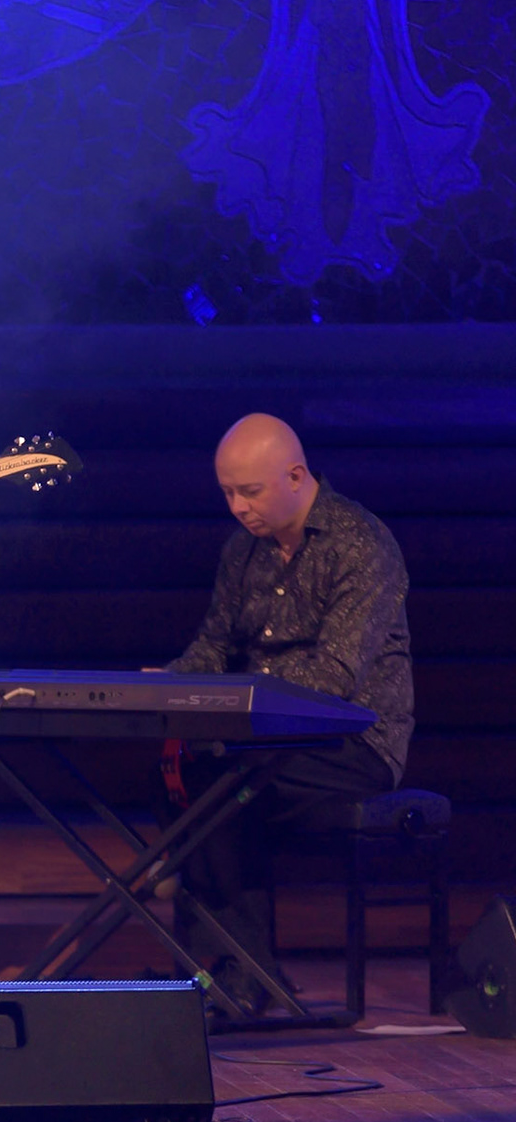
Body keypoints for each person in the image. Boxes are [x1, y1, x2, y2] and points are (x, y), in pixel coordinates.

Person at [161, 412, 412, 1011]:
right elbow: (215, 643)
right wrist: (167, 684)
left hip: (354, 743)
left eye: (250, 491)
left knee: (219, 782)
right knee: (188, 777)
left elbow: (334, 677)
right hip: (262, 737)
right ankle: (219, 972)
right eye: (227, 493)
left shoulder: (360, 544)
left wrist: (237, 694)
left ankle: (242, 978)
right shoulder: (241, 551)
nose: (237, 508)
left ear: (296, 476)